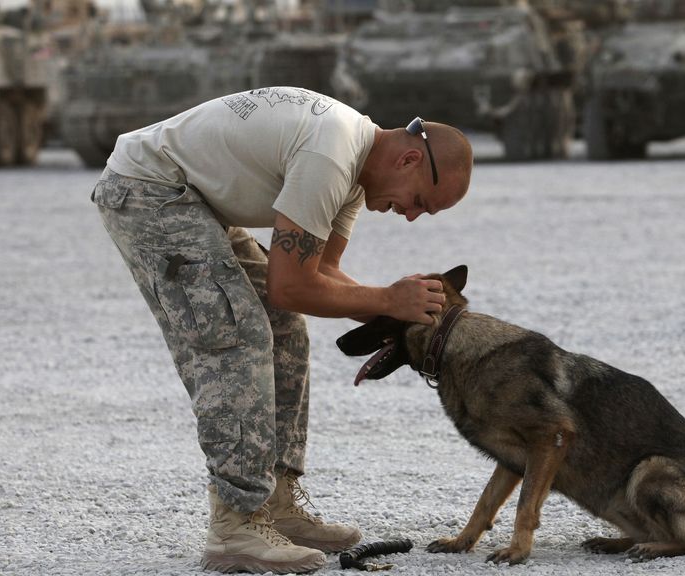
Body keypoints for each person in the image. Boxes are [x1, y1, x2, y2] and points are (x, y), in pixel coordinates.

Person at [90, 86, 473, 574]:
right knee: (236, 335)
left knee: (284, 328)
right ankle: (237, 526)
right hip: (148, 190)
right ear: (410, 159)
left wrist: (398, 316)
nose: (412, 215)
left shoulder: (354, 175)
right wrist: (387, 299)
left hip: (191, 199)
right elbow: (292, 285)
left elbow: (320, 277)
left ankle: (275, 504)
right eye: (420, 200)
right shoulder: (331, 157)